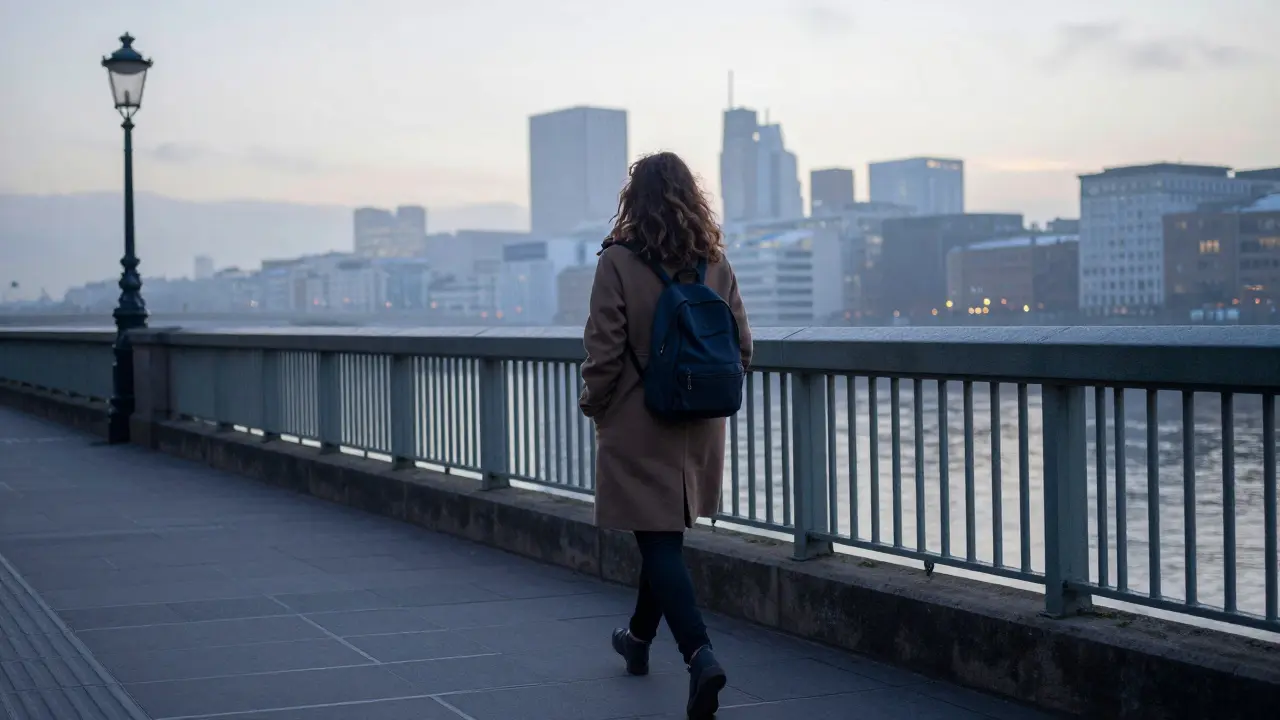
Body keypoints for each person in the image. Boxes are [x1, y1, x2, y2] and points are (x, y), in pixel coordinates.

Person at [579, 151, 752, 719]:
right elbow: (743, 346)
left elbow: (603, 353)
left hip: (637, 422)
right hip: (699, 426)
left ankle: (700, 656)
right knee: (663, 538)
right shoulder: (714, 262)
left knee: (656, 541)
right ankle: (636, 640)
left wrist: (594, 406)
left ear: (635, 201)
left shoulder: (618, 263)